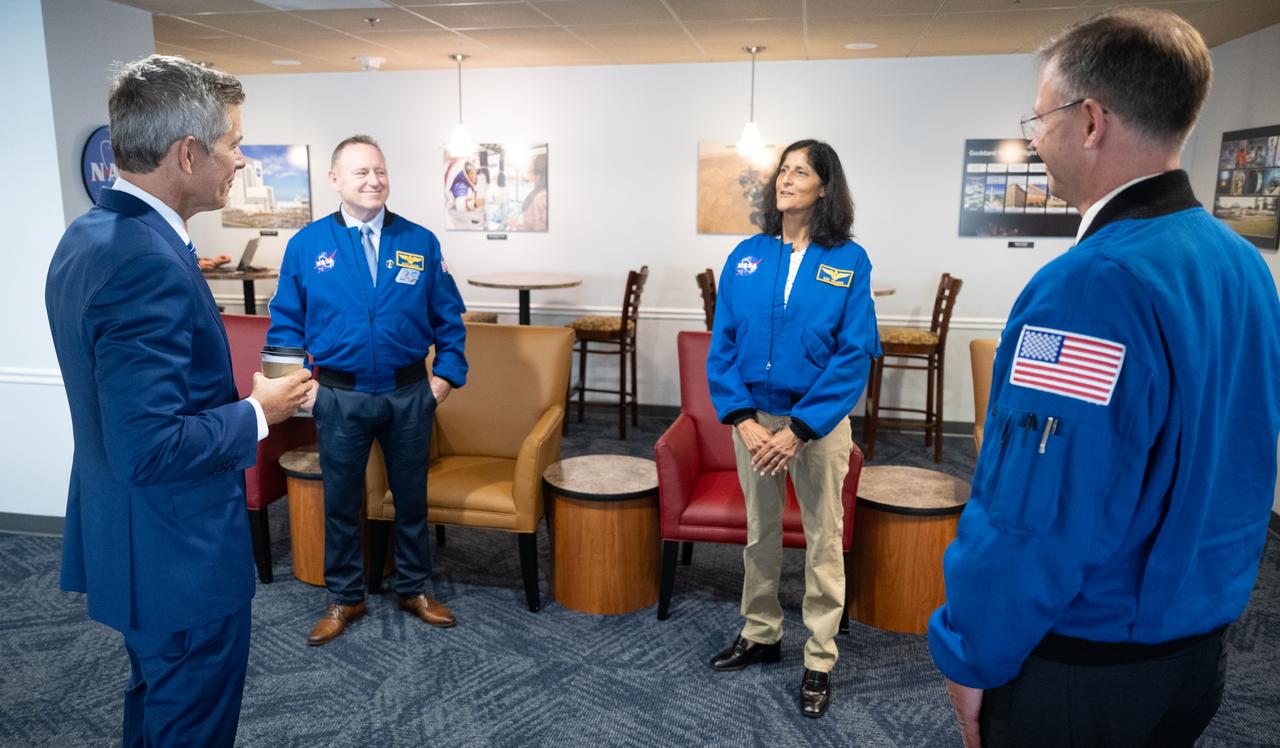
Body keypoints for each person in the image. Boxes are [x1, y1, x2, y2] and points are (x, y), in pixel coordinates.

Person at [929, 9, 1280, 747]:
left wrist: (971, 654)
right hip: (1196, 645)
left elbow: (1038, 509)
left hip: (1088, 669)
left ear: (1090, 120)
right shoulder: (1240, 262)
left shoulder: (1091, 286)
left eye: (1038, 117)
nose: (1032, 137)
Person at [44, 55, 315, 746]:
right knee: (189, 718)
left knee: (160, 705)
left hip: (132, 539)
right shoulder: (145, 262)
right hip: (177, 552)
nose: (242, 160)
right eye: (233, 143)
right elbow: (150, 444)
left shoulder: (90, 236)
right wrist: (262, 412)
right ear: (188, 154)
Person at [269, 135, 468, 645]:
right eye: (361, 172)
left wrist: (443, 379)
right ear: (334, 180)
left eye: (380, 171)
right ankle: (345, 597)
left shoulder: (420, 241)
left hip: (407, 394)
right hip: (339, 395)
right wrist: (299, 391)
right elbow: (285, 327)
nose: (374, 180)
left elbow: (449, 320)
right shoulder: (307, 246)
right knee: (341, 501)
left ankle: (414, 588)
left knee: (412, 499)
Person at [706, 139, 881, 719]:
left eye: (800, 171)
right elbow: (723, 343)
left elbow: (854, 355)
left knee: (823, 539)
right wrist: (744, 420)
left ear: (825, 187)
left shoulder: (849, 261)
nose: (785, 179)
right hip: (755, 422)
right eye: (782, 170)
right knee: (761, 532)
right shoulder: (747, 256)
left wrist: (800, 428)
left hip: (818, 424)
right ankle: (760, 631)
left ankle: (820, 657)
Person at [505, 152, 548, 231]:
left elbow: (537, 233)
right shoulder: (541, 192)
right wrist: (517, 224)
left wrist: (516, 225)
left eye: (530, 168)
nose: (528, 171)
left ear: (538, 171)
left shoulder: (540, 198)